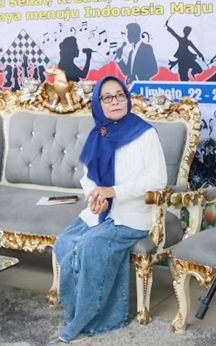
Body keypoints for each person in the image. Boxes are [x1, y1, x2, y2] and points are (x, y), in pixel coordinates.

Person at [53, 76, 167, 343]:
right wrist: (96, 196)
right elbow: (88, 176)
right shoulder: (98, 134)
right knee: (65, 243)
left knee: (91, 245)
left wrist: (113, 192)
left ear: (128, 98)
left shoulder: (145, 133)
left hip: (132, 212)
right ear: (98, 103)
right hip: (101, 210)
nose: (115, 101)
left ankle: (95, 320)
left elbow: (157, 180)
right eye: (107, 97)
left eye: (120, 95)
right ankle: (75, 311)